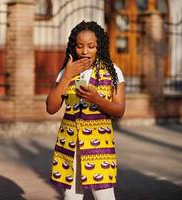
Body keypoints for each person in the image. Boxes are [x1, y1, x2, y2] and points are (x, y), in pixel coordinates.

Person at [46, 21, 125, 200]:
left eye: (91, 46)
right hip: (70, 145)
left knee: (104, 196)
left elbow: (119, 110)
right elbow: (51, 107)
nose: (85, 51)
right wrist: (67, 75)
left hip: (98, 146)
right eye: (80, 46)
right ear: (73, 46)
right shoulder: (66, 72)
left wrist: (96, 99)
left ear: (99, 47)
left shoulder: (113, 72)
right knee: (71, 197)